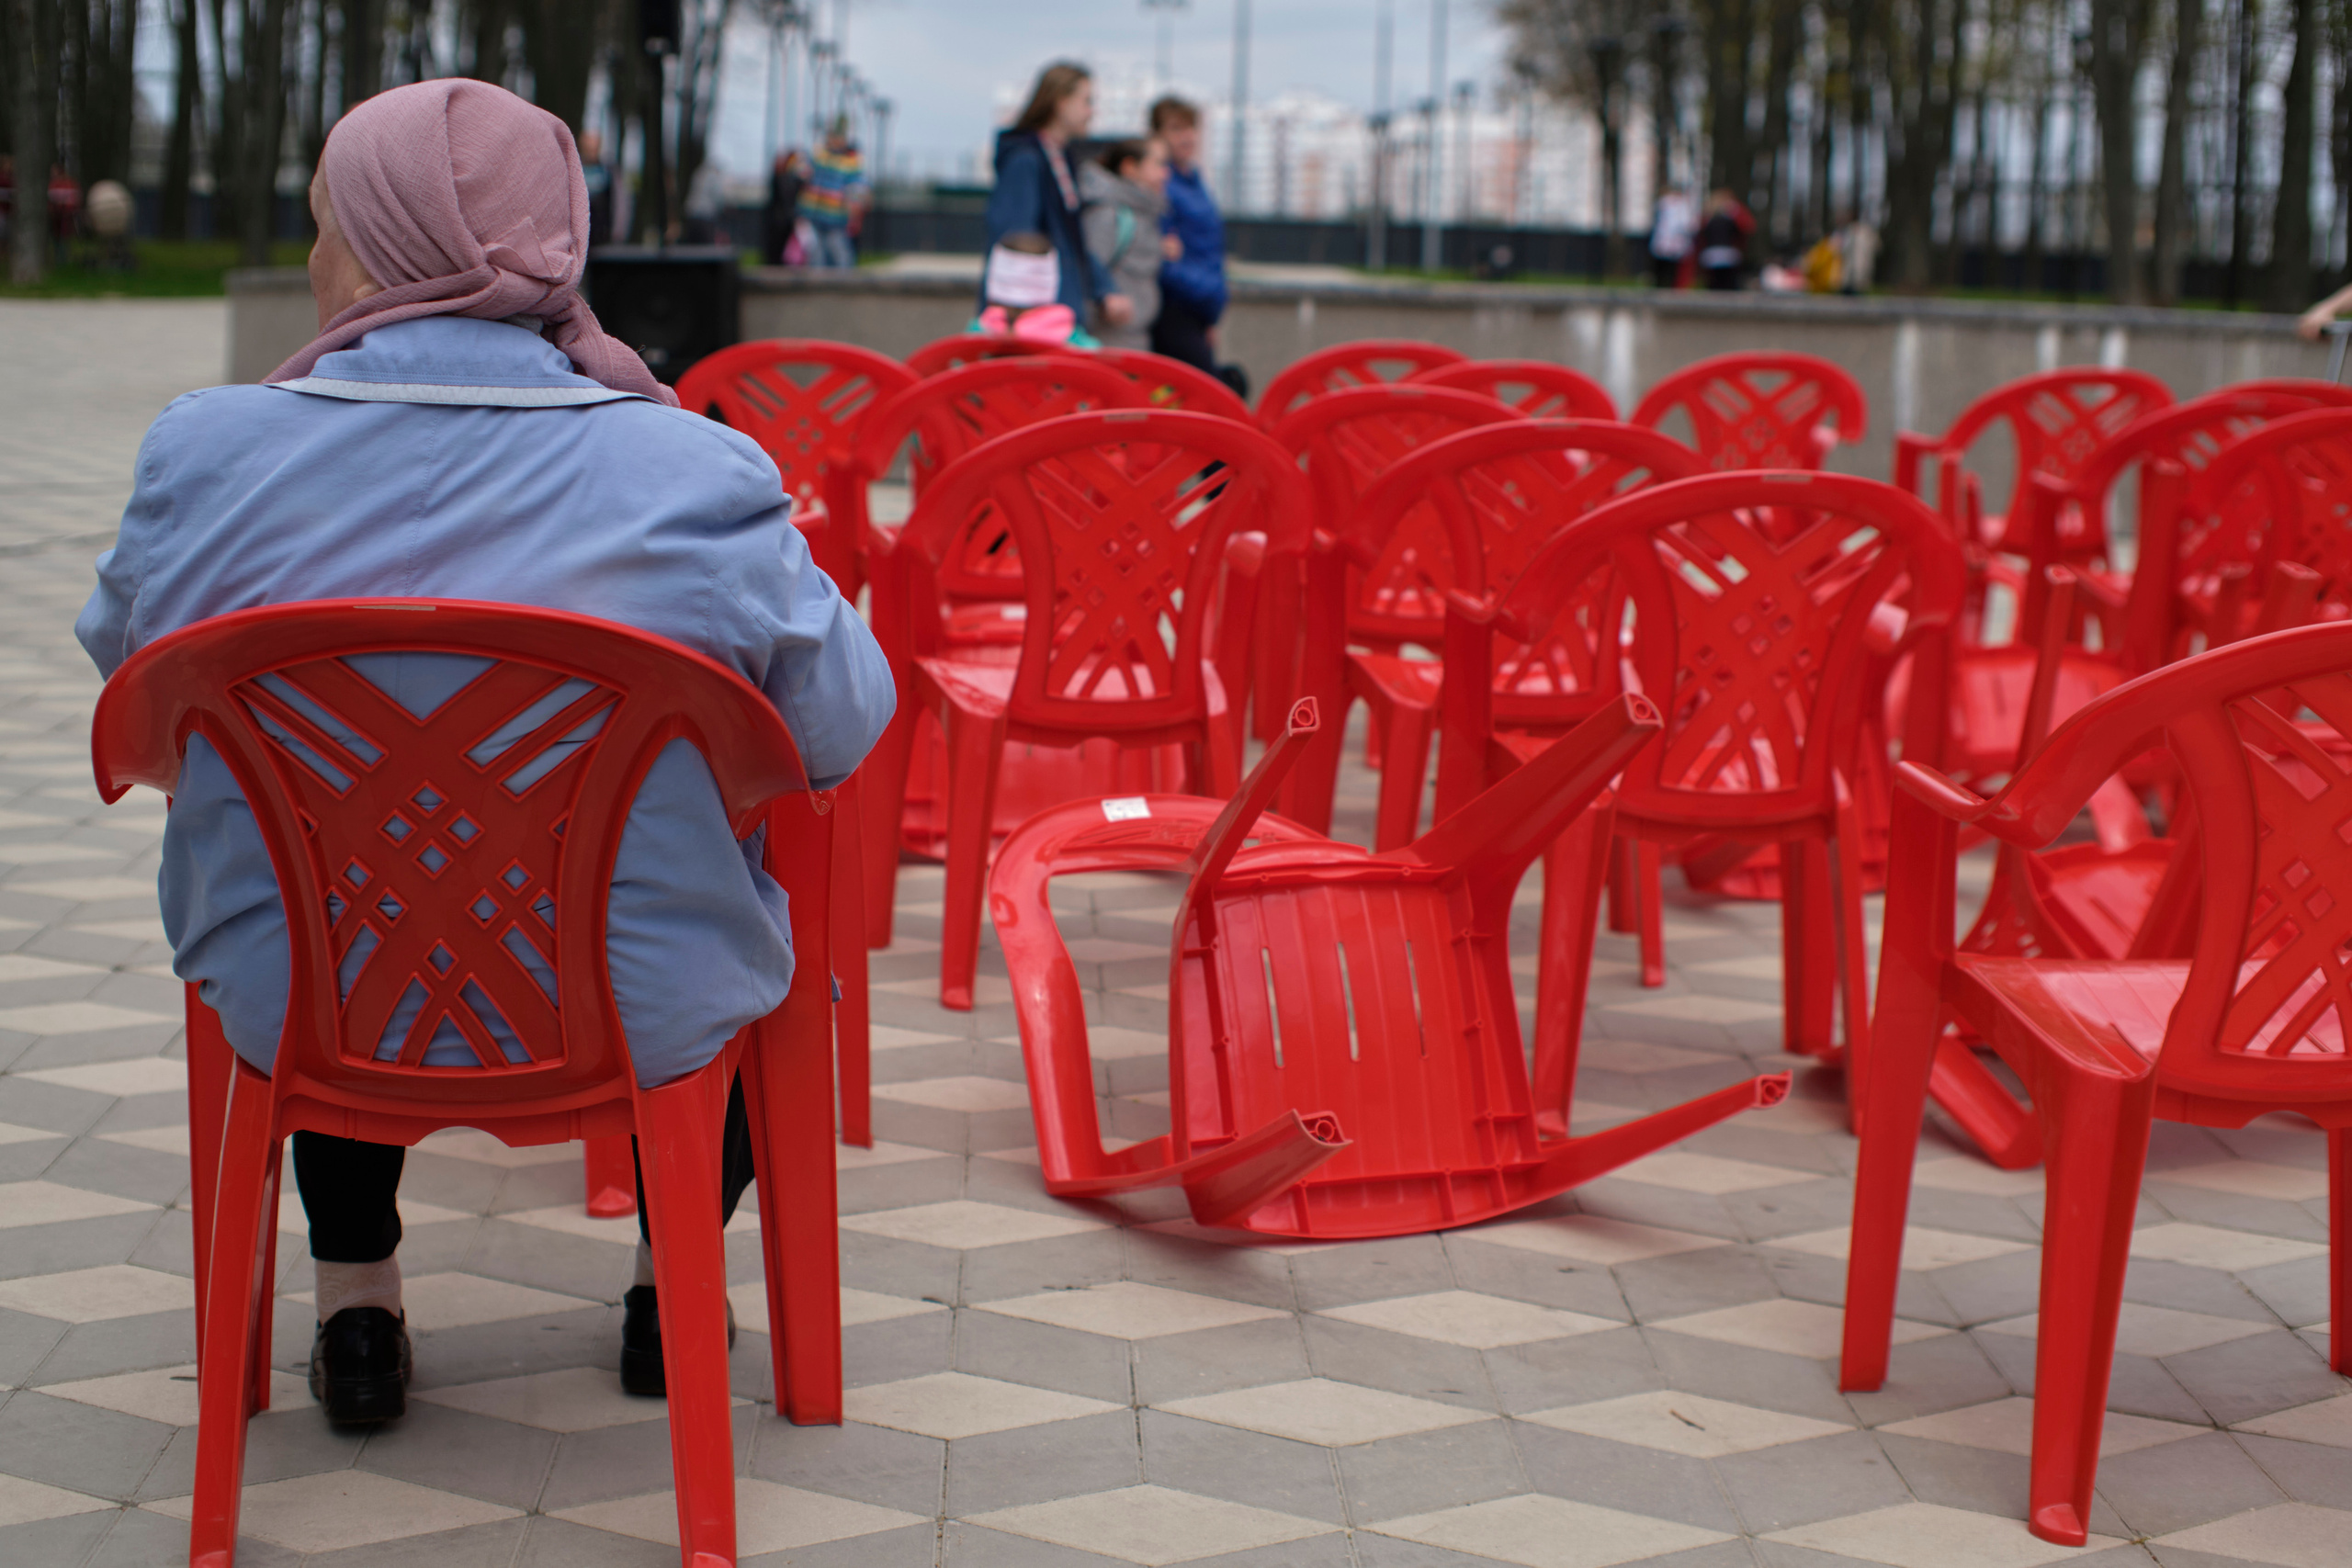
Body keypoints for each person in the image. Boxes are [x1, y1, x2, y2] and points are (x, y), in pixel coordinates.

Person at [74, 79, 893, 1424]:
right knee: (765, 952)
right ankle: (662, 1290)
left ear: (386, 246)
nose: (321, 257)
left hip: (303, 996)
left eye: (330, 223)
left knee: (337, 885)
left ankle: (353, 1304)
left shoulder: (205, 452)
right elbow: (840, 729)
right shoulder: (696, 470)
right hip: (633, 999)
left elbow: (134, 690)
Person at [983, 62, 1127, 334]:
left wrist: (1103, 288)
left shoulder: (1059, 158)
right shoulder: (1026, 160)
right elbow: (1016, 242)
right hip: (1033, 326)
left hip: (1054, 317)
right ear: (1061, 103)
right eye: (1086, 101)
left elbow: (1073, 240)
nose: (1091, 112)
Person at [1149, 95, 1227, 378]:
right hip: (1175, 306)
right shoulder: (1162, 184)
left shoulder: (1195, 181)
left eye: (1191, 128)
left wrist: (1209, 315)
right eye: (1176, 129)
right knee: (1207, 395)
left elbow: (1208, 250)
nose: (1187, 137)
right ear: (1157, 136)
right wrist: (1203, 293)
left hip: (1199, 307)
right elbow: (1162, 256)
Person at [1080, 138, 1169, 351]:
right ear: (1130, 168)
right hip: (1107, 341)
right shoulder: (1108, 215)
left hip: (1134, 337)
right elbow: (1088, 266)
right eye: (1157, 164)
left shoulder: (1144, 214)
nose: (1164, 174)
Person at [803, 118, 867, 269]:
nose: (834, 141)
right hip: (815, 213)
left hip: (836, 215)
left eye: (837, 138)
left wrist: (855, 206)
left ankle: (844, 285)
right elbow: (806, 173)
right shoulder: (820, 155)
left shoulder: (850, 161)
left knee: (839, 251)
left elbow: (858, 185)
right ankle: (817, 286)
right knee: (816, 253)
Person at [1695, 188, 1752, 291]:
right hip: (1724, 254)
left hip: (1714, 254)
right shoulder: (1729, 218)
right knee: (1725, 284)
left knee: (1716, 284)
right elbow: (1746, 228)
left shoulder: (1708, 220)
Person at [764, 148, 807, 265]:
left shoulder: (788, 178)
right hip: (780, 221)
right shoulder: (781, 178)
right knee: (776, 250)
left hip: (785, 220)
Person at [1648, 186, 1694, 289]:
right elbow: (1686, 225)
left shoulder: (1662, 204)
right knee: (1671, 272)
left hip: (1665, 244)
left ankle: (1661, 289)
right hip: (1674, 244)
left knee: (1662, 273)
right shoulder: (1681, 205)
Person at [580, 130, 616, 245]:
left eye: (594, 149)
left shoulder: (607, 172)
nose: (591, 153)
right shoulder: (575, 171)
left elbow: (617, 204)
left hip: (603, 237)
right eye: (588, 149)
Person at [1834, 211, 1878, 297]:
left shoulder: (1865, 232)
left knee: (1858, 291)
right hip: (1849, 272)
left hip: (1859, 271)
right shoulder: (1849, 232)